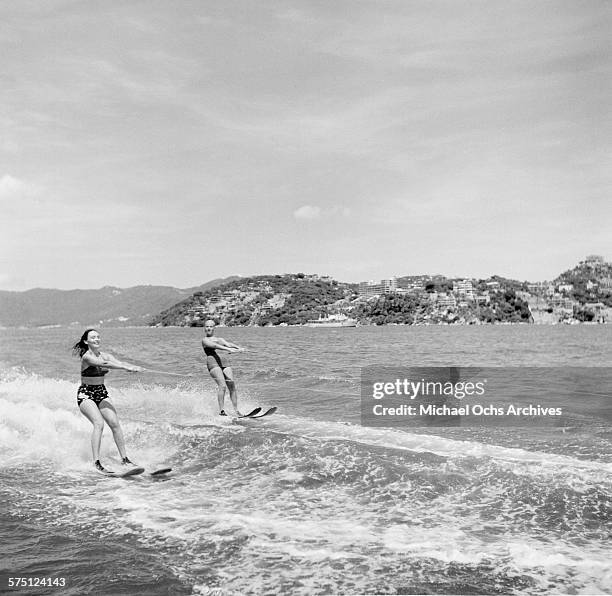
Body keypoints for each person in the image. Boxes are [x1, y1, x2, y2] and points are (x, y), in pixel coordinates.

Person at [72, 328, 143, 473]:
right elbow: (104, 364)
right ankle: (97, 462)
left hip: (101, 392)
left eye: (98, 337)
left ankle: (125, 460)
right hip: (86, 394)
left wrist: (132, 367)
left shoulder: (106, 355)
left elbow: (117, 362)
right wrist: (124, 367)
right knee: (99, 423)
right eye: (93, 337)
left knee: (115, 423)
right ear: (86, 341)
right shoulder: (87, 357)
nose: (97, 339)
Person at [201, 319, 245, 416]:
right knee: (222, 386)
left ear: (214, 328)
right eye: (207, 326)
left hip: (225, 362)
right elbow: (214, 345)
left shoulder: (220, 339)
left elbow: (228, 344)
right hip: (213, 363)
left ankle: (236, 410)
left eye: (211, 326)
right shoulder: (205, 340)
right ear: (204, 328)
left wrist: (239, 348)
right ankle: (222, 411)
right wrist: (228, 349)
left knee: (232, 385)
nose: (209, 328)